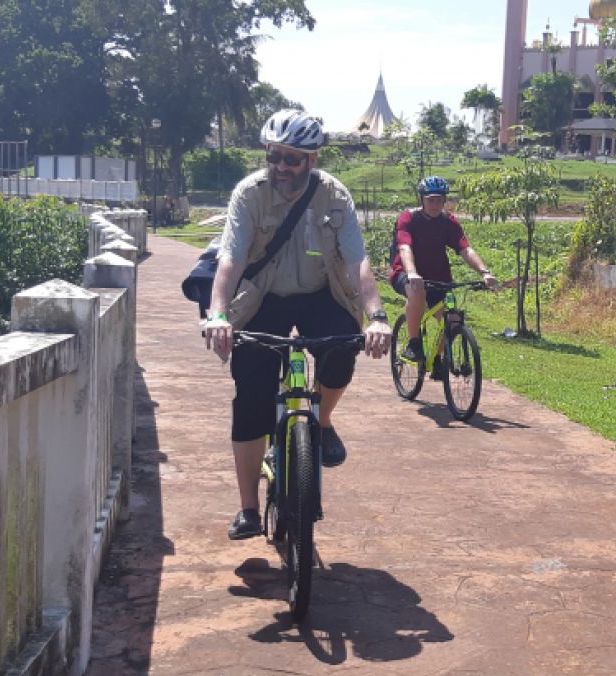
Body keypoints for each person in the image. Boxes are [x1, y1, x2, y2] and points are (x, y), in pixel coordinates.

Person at [203, 109, 392, 540]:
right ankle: (249, 508)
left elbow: (357, 259)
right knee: (250, 398)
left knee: (341, 352)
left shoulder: (334, 195)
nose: (281, 168)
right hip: (262, 297)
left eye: (293, 159)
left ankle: (321, 423)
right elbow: (230, 259)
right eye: (275, 156)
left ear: (313, 160)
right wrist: (217, 314)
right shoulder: (250, 193)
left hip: (320, 292)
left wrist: (377, 317)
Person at [390, 175, 498, 377]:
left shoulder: (448, 222)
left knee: (453, 320)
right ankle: (413, 344)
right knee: (417, 293)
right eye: (431, 199)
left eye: (440, 200)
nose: (435, 204)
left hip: (440, 278)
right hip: (405, 273)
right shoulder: (408, 218)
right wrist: (412, 273)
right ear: (421, 199)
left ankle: (437, 358)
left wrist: (484, 272)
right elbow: (405, 247)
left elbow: (465, 250)